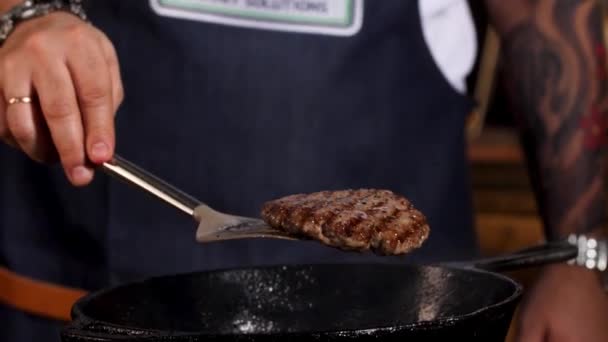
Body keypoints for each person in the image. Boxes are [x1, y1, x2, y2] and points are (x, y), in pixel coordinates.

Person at [0, 0, 607, 341]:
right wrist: (21, 18)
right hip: (82, 300)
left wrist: (583, 259)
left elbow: (546, 17)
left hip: (406, 316)